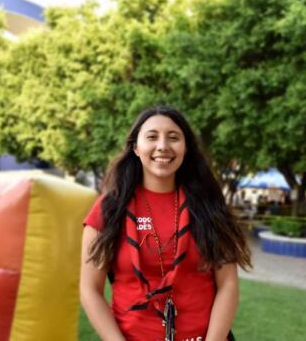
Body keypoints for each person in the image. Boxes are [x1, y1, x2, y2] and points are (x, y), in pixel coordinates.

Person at [80, 106, 252, 341]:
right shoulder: (109, 209)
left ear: (186, 148)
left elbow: (228, 284)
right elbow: (90, 289)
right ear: (135, 147)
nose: (163, 146)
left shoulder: (208, 205)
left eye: (174, 137)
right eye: (152, 137)